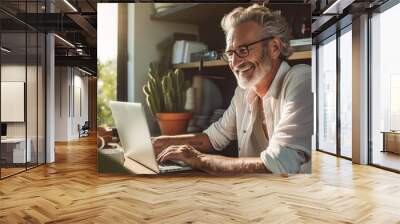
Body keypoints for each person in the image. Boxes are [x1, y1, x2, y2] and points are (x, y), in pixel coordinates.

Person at [154, 4, 312, 174]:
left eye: (243, 50)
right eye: (230, 53)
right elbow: (212, 138)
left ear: (274, 48)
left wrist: (199, 159)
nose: (235, 63)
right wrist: (157, 143)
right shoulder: (244, 92)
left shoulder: (302, 80)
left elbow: (278, 165)